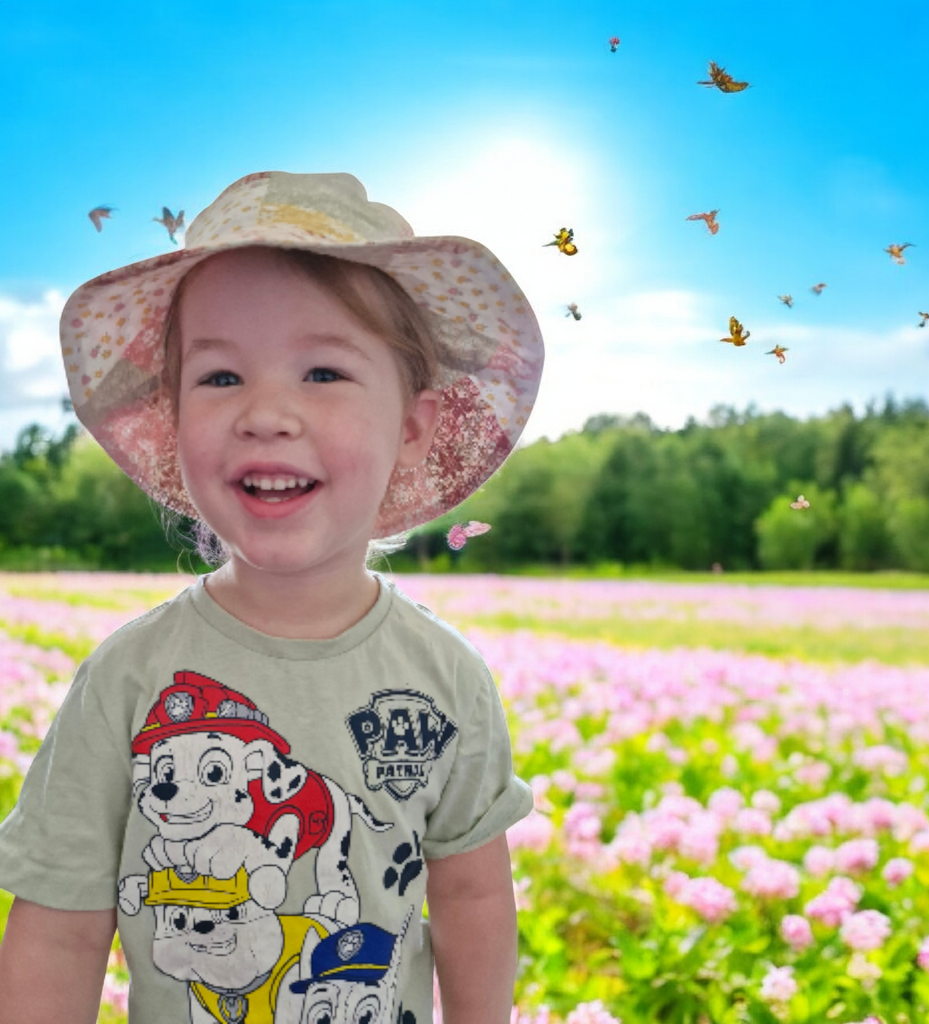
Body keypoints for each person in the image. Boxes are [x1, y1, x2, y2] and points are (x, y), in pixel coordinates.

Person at [0, 170, 544, 1024]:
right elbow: (60, 931)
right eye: (220, 378)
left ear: (413, 428)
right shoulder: (127, 679)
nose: (266, 413)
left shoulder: (446, 678)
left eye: (322, 371)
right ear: (172, 423)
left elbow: (472, 895)